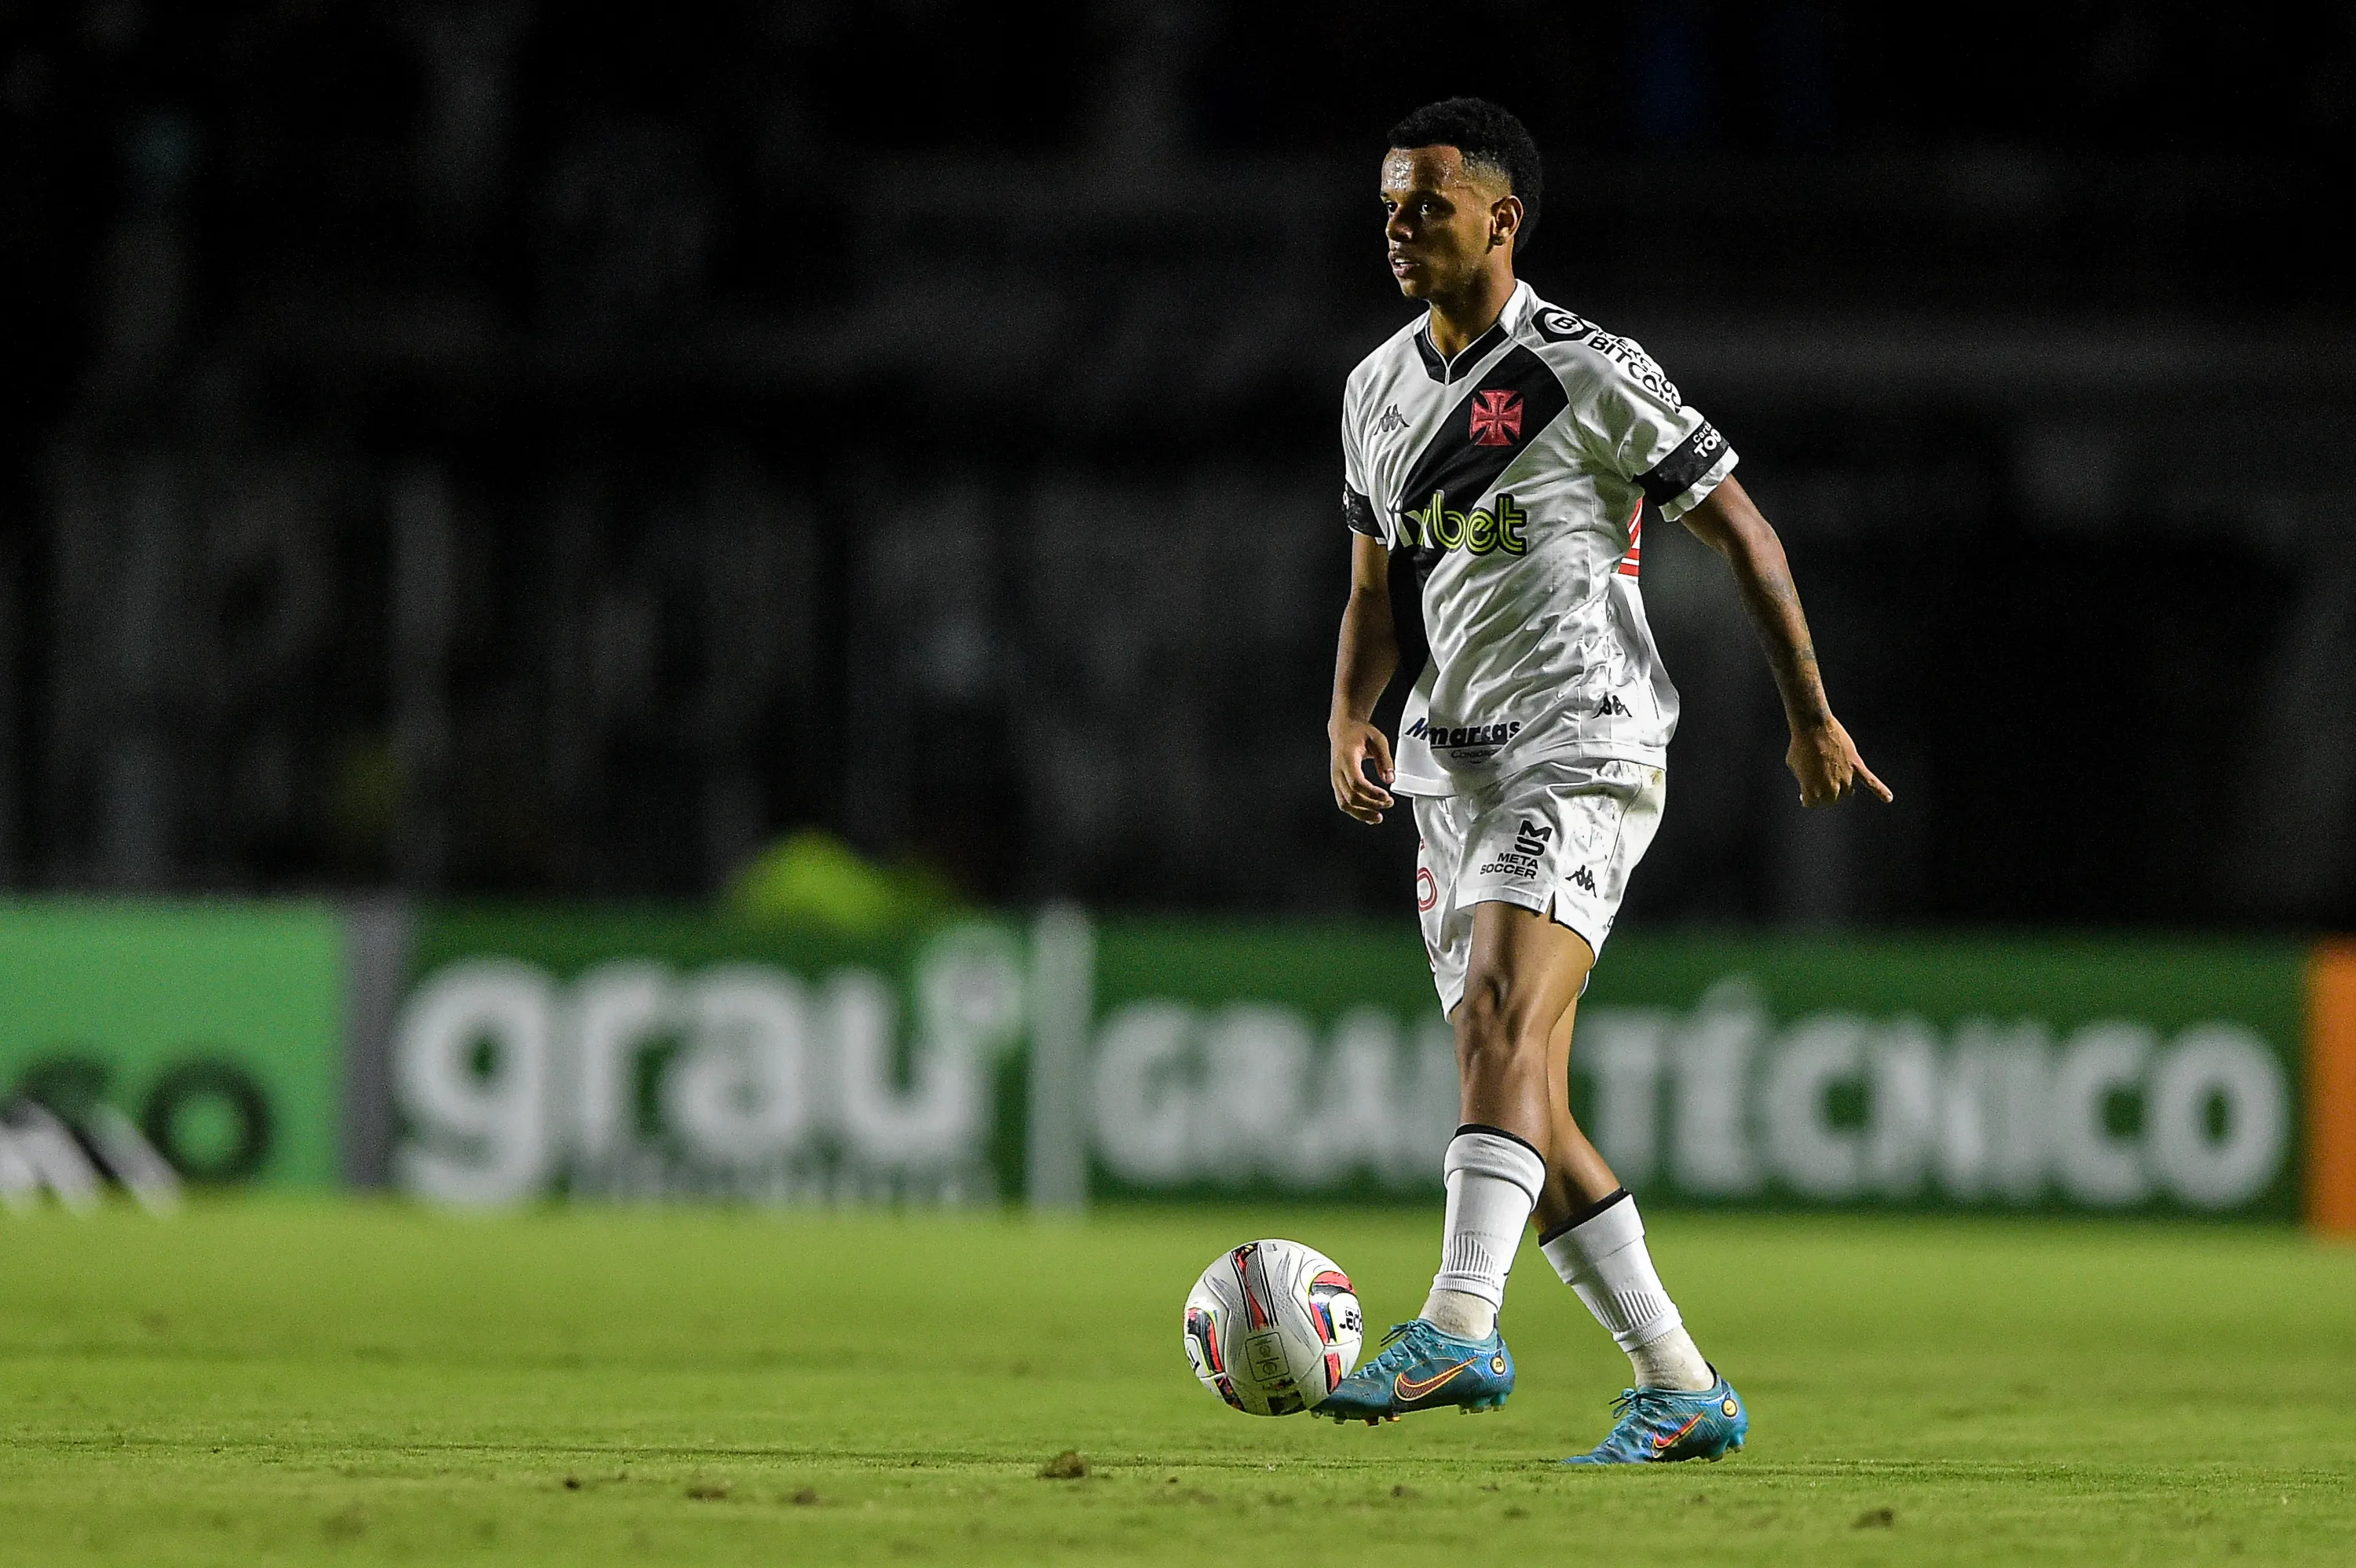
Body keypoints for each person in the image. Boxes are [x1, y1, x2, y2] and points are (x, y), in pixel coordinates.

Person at [1316, 97, 1890, 1464]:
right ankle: (1679, 1381)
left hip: (1582, 748)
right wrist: (1350, 713)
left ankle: (1461, 1322)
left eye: (1427, 206)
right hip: (1451, 778)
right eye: (1388, 205)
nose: (1398, 229)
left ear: (1501, 219)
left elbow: (1747, 536)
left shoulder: (1587, 370)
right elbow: (1373, 590)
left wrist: (1810, 716)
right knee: (1521, 1088)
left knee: (1502, 1022)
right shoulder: (1375, 389)